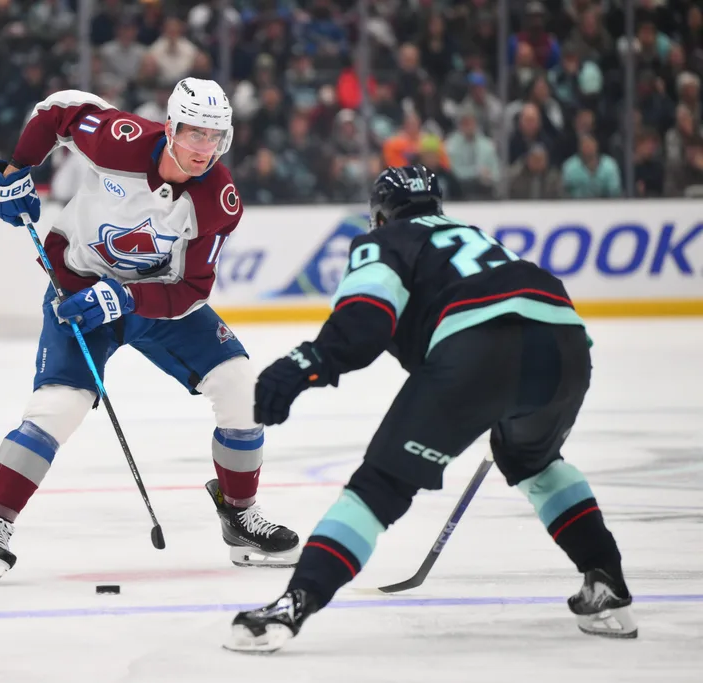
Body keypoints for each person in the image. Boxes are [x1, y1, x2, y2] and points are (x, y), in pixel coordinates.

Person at [225, 165, 636, 652]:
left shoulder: (386, 242)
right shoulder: (474, 235)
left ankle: (293, 605)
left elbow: (364, 325)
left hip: (478, 350)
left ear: (379, 215)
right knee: (536, 463)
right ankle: (607, 584)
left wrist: (302, 366)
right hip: (567, 347)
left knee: (379, 487)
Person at [0, 79, 300, 584]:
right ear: (172, 127)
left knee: (240, 384)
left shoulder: (218, 200)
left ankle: (240, 514)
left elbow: (193, 288)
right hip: (77, 293)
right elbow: (58, 111)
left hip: (155, 302)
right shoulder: (120, 138)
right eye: (194, 133)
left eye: (214, 137)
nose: (204, 148)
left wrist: (127, 297)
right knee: (57, 409)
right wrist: (17, 167)